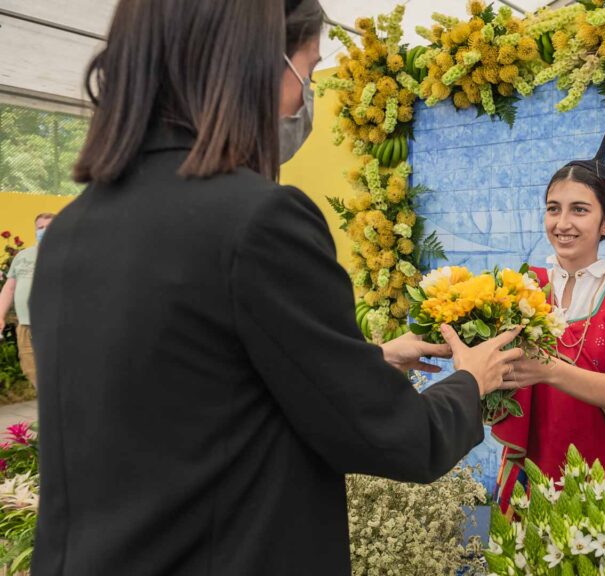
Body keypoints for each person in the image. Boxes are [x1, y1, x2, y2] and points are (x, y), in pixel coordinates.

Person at [29, 1, 520, 574]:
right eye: (307, 74)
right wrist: (470, 382)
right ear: (254, 64)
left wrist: (370, 359)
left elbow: (186, 386)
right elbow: (394, 437)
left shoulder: (70, 231)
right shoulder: (257, 221)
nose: (303, 99)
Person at [492, 107, 605, 507]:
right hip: (529, 473)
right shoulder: (524, 287)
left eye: (579, 210)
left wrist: (548, 370)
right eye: (553, 208)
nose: (562, 222)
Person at [0, 213, 54, 387]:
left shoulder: (67, 255)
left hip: (54, 325)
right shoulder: (22, 256)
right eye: (40, 227)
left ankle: (62, 409)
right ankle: (50, 408)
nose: (44, 231)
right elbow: (9, 288)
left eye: (49, 227)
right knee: (30, 369)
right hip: (25, 325)